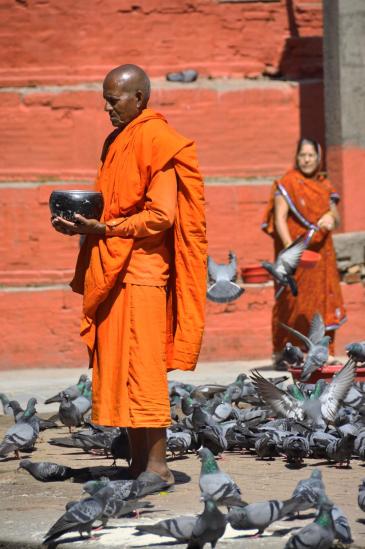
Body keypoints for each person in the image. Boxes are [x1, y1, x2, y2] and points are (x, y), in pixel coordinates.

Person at [51, 64, 207, 493]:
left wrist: (106, 230)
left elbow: (161, 216)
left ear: (139, 98)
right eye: (104, 99)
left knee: (144, 371)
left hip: (141, 273)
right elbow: (112, 204)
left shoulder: (159, 141)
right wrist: (84, 226)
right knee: (121, 369)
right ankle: (139, 463)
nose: (107, 108)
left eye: (114, 100)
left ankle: (158, 468)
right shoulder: (116, 140)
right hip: (115, 266)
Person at [262, 138, 346, 369]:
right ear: (297, 158)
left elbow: (336, 217)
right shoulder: (287, 183)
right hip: (296, 257)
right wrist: (292, 251)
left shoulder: (325, 185)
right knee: (292, 301)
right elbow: (279, 219)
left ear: (318, 158)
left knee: (323, 301)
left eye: (311, 155)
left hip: (322, 258)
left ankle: (322, 352)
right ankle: (286, 352)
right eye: (302, 155)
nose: (307, 160)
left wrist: (331, 218)